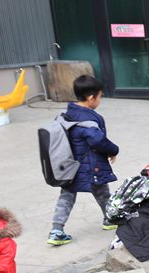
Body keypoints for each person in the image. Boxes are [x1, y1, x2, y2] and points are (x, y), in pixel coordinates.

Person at [47, 75, 119, 246]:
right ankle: (110, 219)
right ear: (90, 98)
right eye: (100, 96)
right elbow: (97, 140)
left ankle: (56, 230)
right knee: (102, 191)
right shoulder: (88, 120)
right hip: (91, 165)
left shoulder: (69, 113)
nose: (100, 100)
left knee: (67, 196)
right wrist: (113, 150)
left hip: (71, 164)